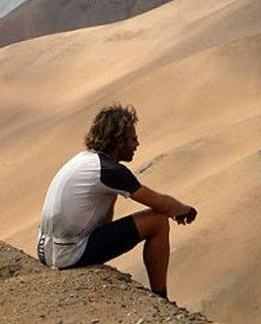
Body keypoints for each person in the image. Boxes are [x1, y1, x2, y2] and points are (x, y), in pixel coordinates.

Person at [37, 104, 197, 300]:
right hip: (68, 254)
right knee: (158, 221)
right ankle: (161, 297)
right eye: (132, 139)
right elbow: (161, 205)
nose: (137, 144)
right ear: (118, 141)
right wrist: (185, 210)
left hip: (46, 249)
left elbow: (105, 219)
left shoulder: (84, 160)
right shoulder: (110, 171)